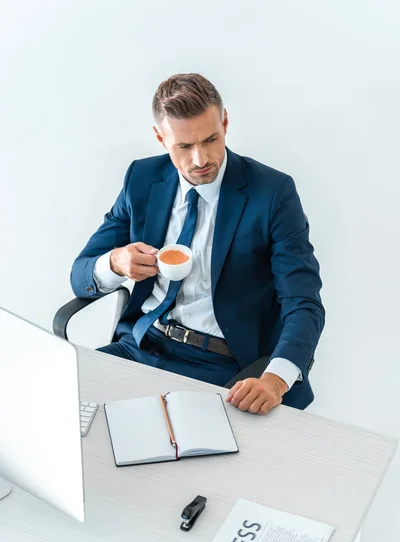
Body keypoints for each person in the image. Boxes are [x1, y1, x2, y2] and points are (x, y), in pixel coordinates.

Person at [71, 73, 324, 414]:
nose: (201, 160)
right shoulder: (142, 179)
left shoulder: (272, 193)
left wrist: (274, 380)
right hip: (140, 346)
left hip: (223, 369)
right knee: (57, 408)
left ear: (225, 122)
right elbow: (80, 275)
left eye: (210, 140)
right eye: (185, 147)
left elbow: (303, 303)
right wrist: (115, 262)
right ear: (161, 138)